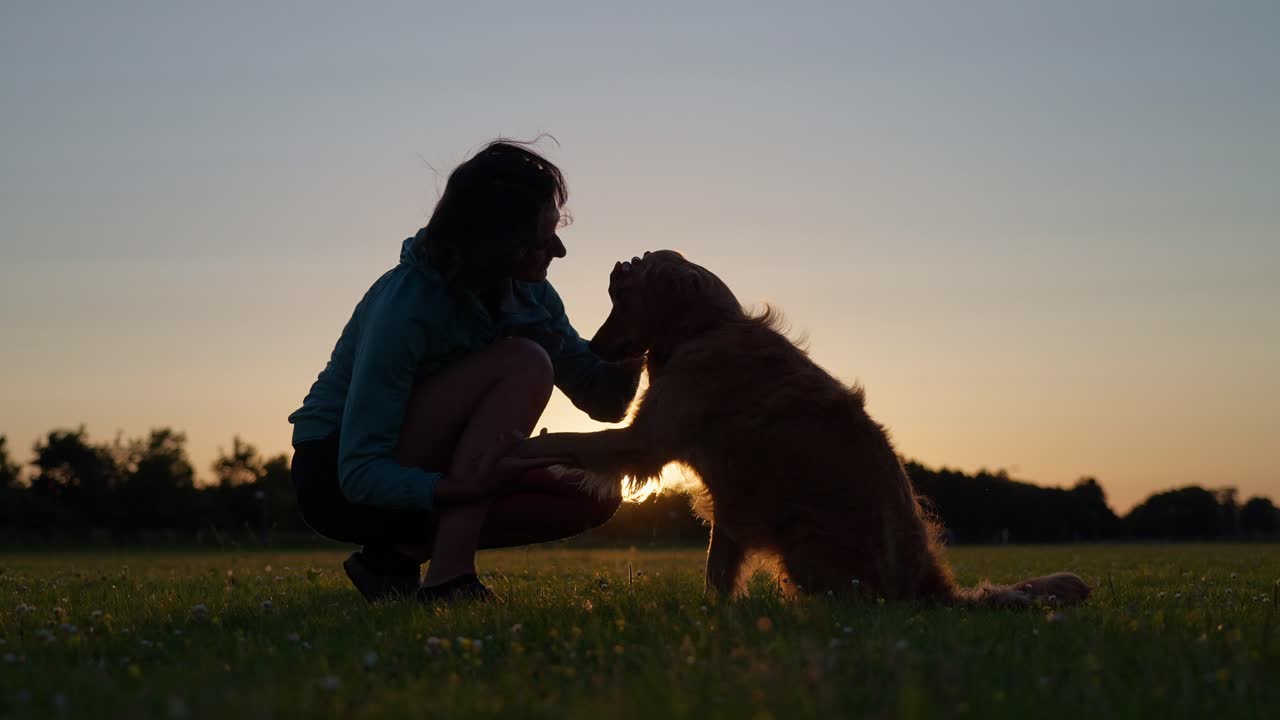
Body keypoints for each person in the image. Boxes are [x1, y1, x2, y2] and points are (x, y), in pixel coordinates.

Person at [288, 140, 641, 604]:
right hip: (336, 476)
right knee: (525, 362)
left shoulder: (530, 296)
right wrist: (459, 486)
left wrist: (637, 321)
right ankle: (449, 580)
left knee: (596, 490)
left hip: (438, 468)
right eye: (541, 238)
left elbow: (606, 401)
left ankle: (392, 559)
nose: (558, 250)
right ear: (497, 239)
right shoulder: (407, 307)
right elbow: (360, 471)